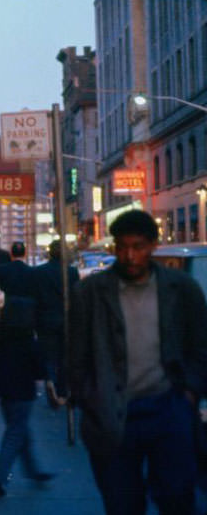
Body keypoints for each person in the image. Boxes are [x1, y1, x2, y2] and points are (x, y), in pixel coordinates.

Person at [69, 210, 207, 515]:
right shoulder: (90, 292)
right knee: (122, 504)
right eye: (122, 247)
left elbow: (200, 346)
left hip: (168, 407)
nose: (130, 256)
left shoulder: (181, 289)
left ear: (153, 246)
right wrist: (88, 397)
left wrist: (189, 394)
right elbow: (75, 355)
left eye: (139, 247)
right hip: (111, 413)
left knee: (177, 498)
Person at [0, 241, 54, 499]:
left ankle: (35, 471)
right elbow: (40, 370)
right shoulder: (30, 342)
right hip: (23, 393)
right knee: (15, 433)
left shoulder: (1, 340)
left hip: (4, 392)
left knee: (20, 431)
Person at [34, 240, 79, 406]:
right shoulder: (72, 272)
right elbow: (76, 296)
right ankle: (62, 390)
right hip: (66, 319)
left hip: (45, 319)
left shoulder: (39, 272)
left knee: (48, 355)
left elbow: (35, 297)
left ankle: (50, 379)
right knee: (64, 356)